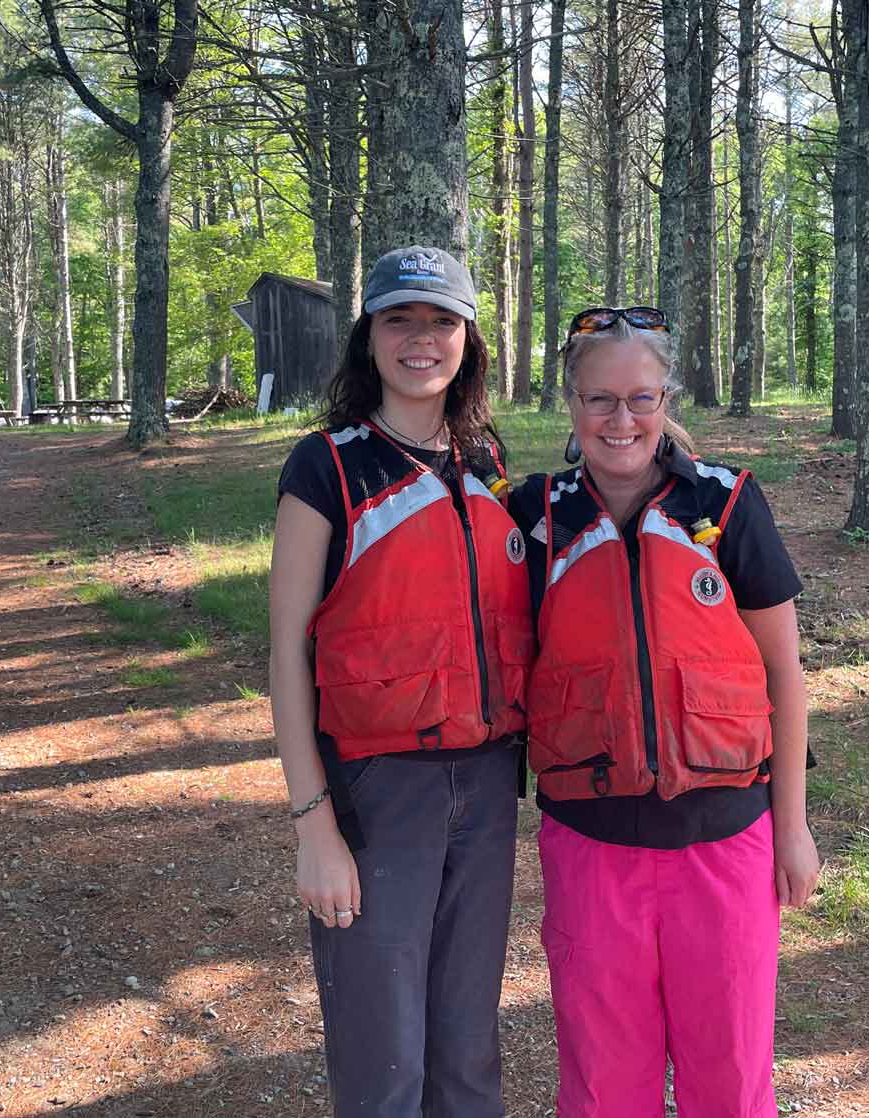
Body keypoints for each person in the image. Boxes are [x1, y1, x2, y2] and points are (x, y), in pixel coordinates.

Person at [509, 307, 820, 1118]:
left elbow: (783, 674)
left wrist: (792, 829)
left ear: (666, 399)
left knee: (732, 1076)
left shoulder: (726, 504)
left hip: (725, 845)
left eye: (640, 399)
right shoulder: (537, 517)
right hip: (591, 848)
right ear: (571, 404)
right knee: (604, 1082)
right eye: (600, 400)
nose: (621, 420)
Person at [268, 246, 534, 1117]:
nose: (422, 339)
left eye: (442, 321)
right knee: (384, 1057)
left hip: (487, 783)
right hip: (377, 791)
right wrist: (314, 826)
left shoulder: (485, 461)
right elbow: (286, 652)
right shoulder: (327, 466)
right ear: (369, 337)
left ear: (469, 339)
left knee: (467, 1044)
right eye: (400, 320)